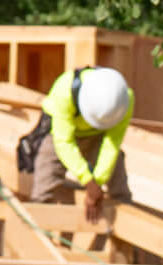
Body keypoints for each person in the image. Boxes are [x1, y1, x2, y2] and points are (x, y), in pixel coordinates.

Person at [21, 67, 133, 221]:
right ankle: (39, 231)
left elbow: (111, 146)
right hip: (61, 133)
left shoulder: (124, 100)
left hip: (98, 136)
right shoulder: (64, 91)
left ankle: (122, 236)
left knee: (120, 189)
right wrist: (88, 180)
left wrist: (97, 183)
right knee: (44, 182)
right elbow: (64, 142)